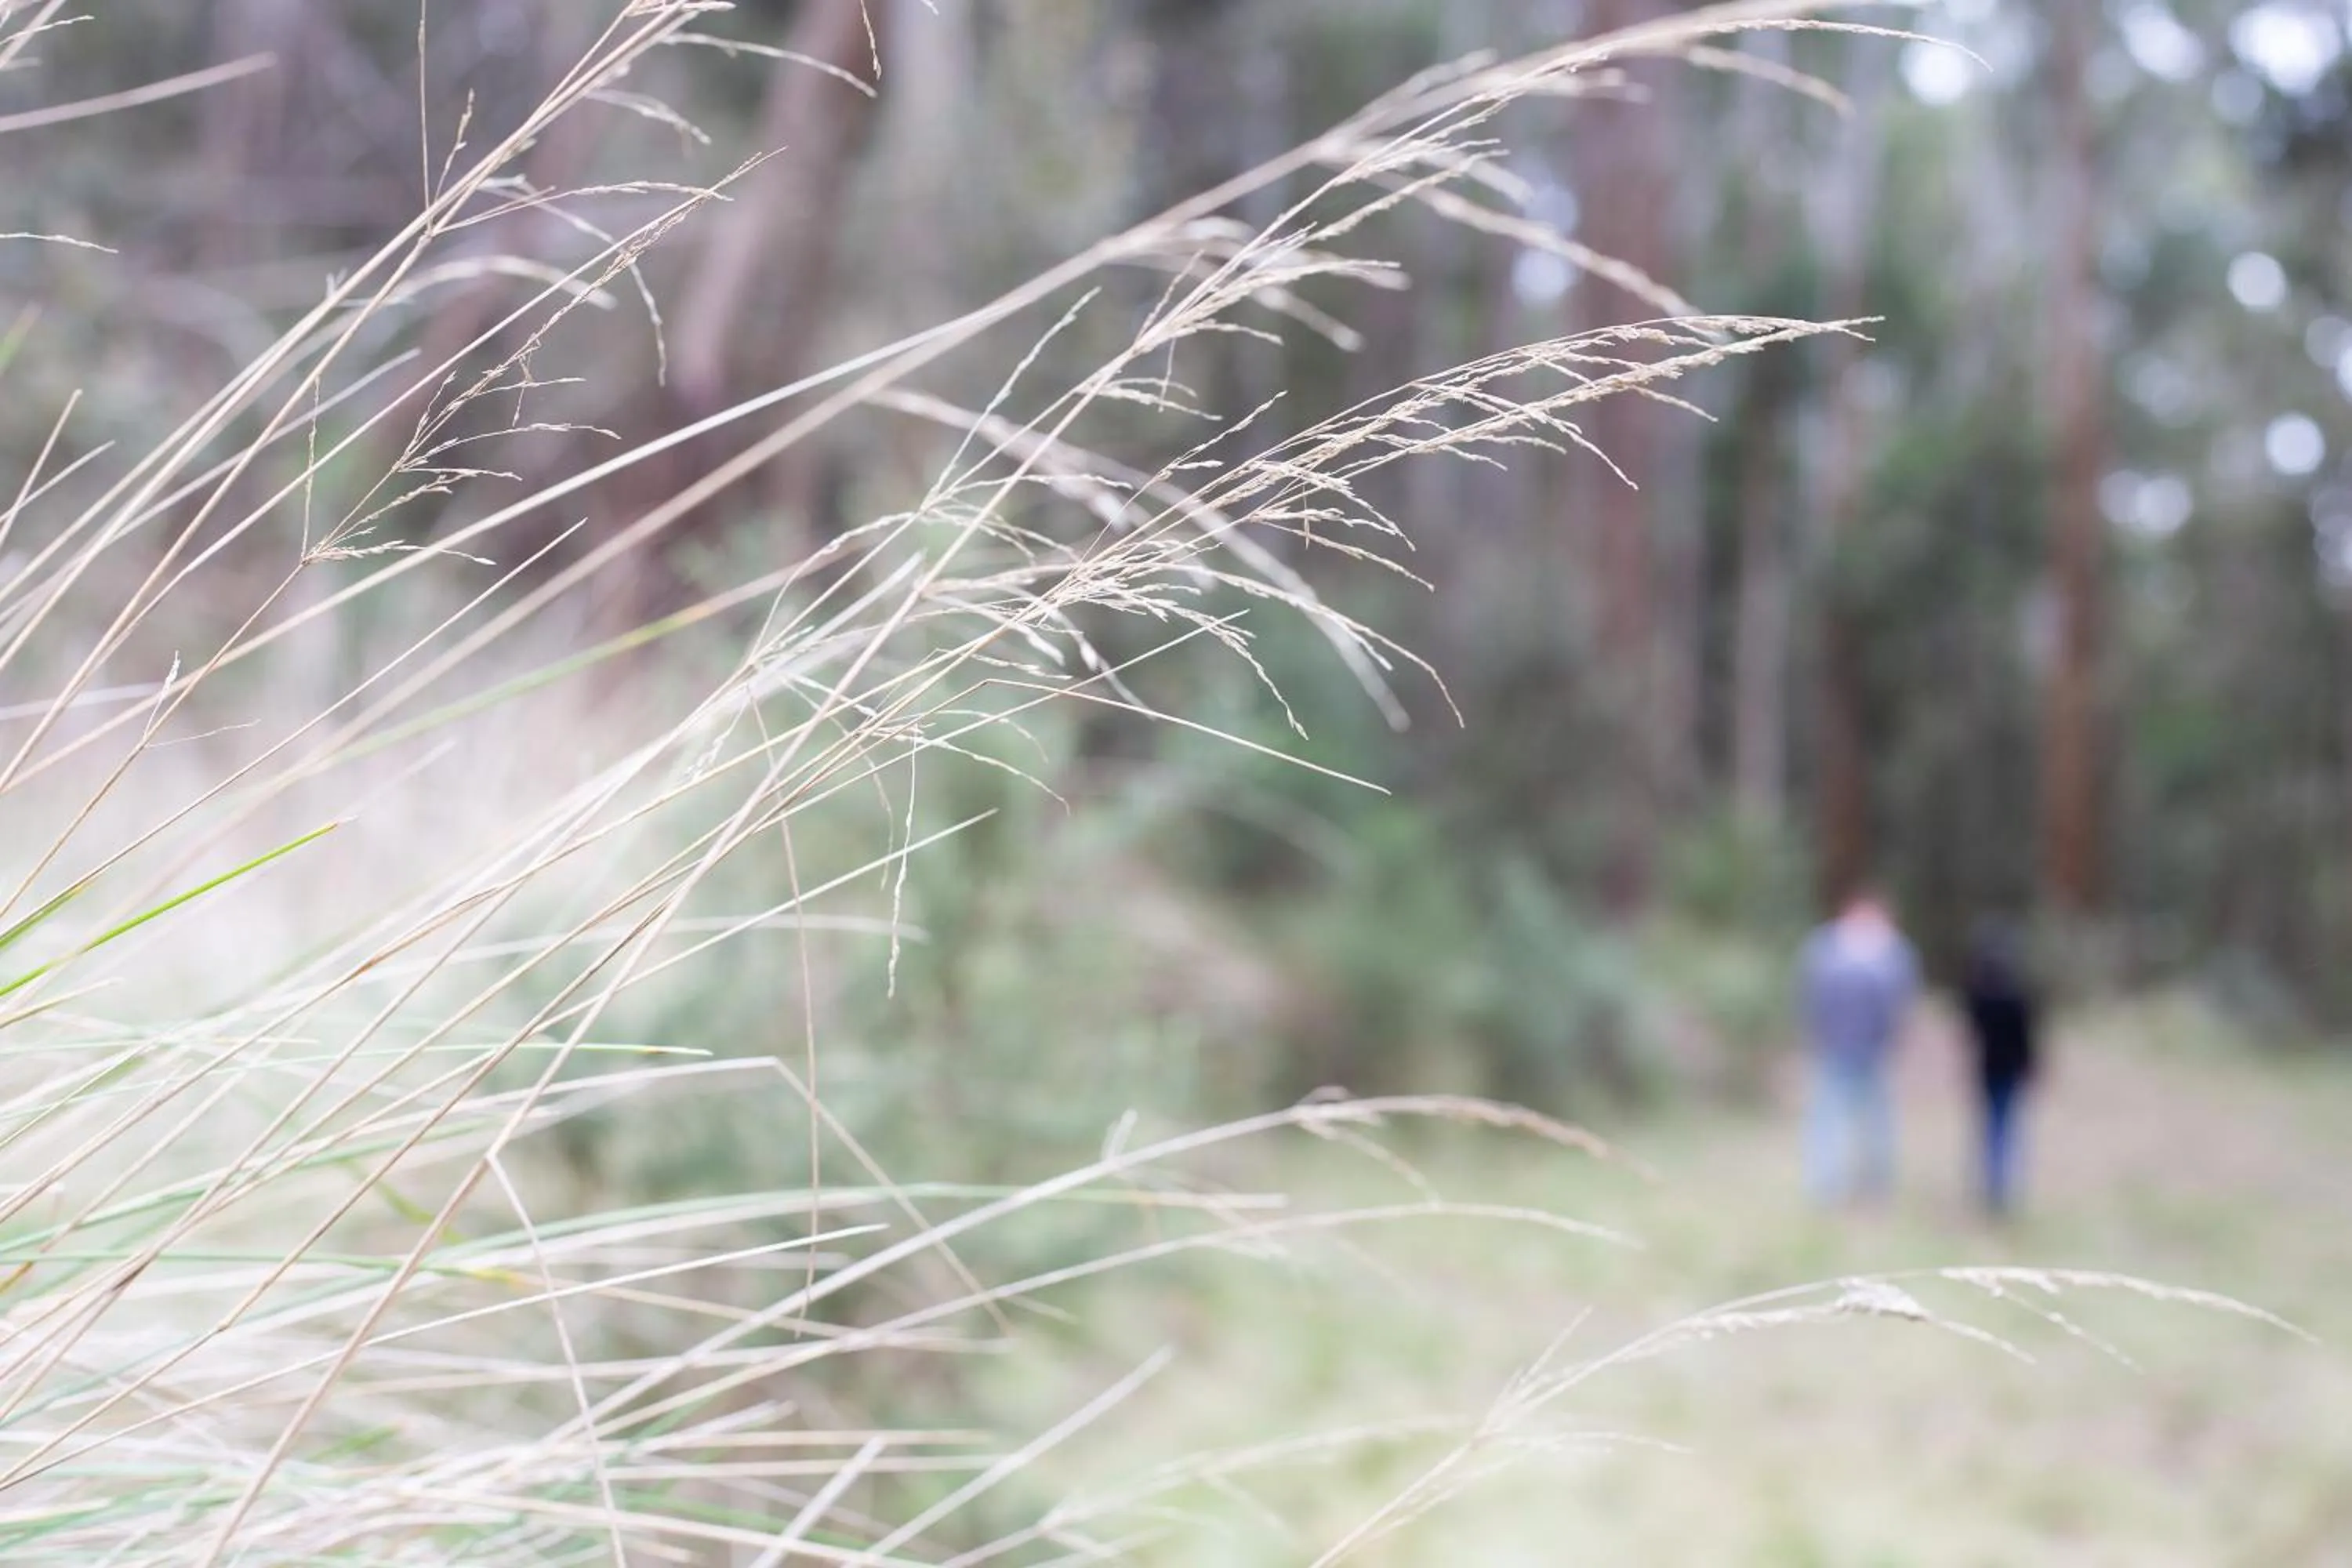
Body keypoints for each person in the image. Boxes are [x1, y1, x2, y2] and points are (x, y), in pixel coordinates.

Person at [1798, 887, 1920, 1206]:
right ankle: (1833, 1186)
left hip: (1865, 1049)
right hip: (1842, 1047)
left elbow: (1899, 1005)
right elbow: (1811, 998)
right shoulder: (1839, 949)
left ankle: (1869, 1184)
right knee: (1837, 1119)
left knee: (1871, 1122)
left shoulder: (1881, 952)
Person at [1961, 923, 2040, 1217]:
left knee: (1991, 1127)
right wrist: (2031, 1066)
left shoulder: (1977, 996)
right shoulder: (2016, 997)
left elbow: (1971, 1033)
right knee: (2009, 1127)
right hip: (2009, 1071)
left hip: (1987, 1069)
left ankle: (1993, 1185)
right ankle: (2004, 1186)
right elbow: (2026, 1038)